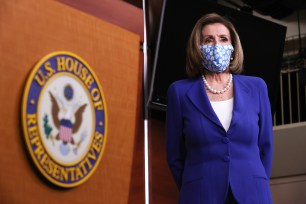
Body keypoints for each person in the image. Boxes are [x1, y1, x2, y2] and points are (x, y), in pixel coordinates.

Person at [166, 13, 273, 204]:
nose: (217, 45)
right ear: (198, 48)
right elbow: (175, 156)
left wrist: (257, 183)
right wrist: (194, 189)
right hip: (200, 195)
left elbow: (265, 147)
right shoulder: (179, 92)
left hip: (253, 195)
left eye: (223, 39)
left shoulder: (257, 87)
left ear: (233, 47)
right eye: (209, 40)